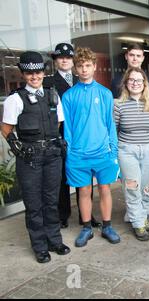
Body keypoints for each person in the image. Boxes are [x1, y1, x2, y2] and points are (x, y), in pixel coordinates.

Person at [1, 51, 70, 263]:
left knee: (51, 201)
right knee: (34, 204)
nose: (35, 77)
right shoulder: (15, 99)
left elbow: (58, 123)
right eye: (30, 73)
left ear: (43, 72)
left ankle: (54, 240)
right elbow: (6, 128)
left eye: (38, 72)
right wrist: (18, 147)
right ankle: (39, 246)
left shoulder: (52, 95)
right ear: (23, 74)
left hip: (52, 155)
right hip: (29, 158)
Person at [63, 47, 121, 248]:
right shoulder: (69, 96)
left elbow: (110, 124)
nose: (84, 69)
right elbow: (67, 129)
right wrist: (70, 153)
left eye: (88, 65)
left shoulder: (105, 93)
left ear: (95, 67)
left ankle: (107, 226)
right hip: (78, 153)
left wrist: (113, 151)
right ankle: (86, 227)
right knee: (84, 190)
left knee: (105, 188)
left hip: (103, 152)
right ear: (75, 69)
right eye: (80, 66)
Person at [44, 43, 101, 229]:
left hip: (82, 139)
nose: (65, 60)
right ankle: (63, 214)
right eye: (61, 57)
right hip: (59, 138)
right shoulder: (48, 83)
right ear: (55, 61)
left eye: (68, 58)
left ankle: (86, 214)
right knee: (61, 179)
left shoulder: (82, 81)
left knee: (85, 179)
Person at [114, 68, 149, 241]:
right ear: (126, 83)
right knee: (132, 187)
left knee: (147, 187)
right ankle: (137, 223)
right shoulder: (118, 104)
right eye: (131, 80)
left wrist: (148, 145)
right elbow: (115, 129)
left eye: (139, 81)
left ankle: (143, 217)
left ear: (144, 84)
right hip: (127, 150)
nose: (135, 83)